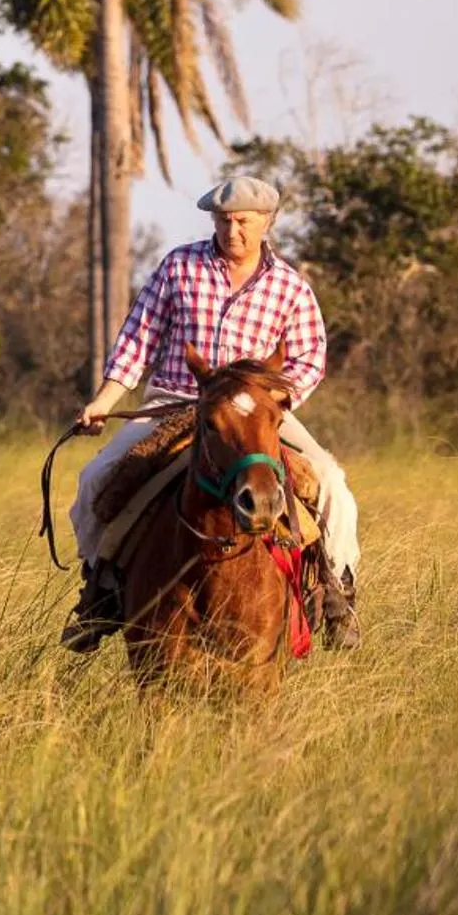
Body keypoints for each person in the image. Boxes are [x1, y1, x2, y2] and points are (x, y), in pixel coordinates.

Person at [61, 174, 362, 652]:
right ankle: (99, 595)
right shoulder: (179, 267)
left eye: (243, 221)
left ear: (266, 222)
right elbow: (137, 341)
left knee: (330, 483)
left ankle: (337, 594)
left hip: (257, 414)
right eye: (223, 221)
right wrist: (103, 403)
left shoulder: (290, 287)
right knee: (97, 478)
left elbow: (310, 359)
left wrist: (271, 406)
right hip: (175, 401)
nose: (232, 231)